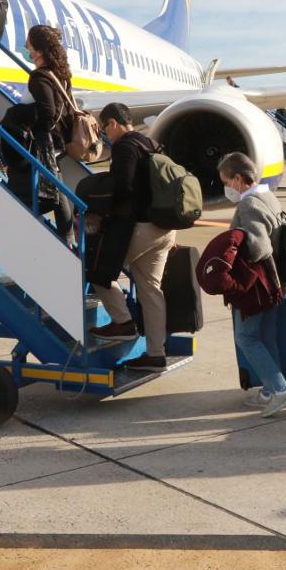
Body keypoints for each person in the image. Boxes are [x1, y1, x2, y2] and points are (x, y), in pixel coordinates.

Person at [87, 103, 176, 372]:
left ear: (112, 123)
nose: (105, 135)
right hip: (165, 229)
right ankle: (155, 354)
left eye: (104, 129)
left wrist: (102, 207)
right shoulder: (152, 143)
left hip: (141, 227)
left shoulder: (125, 146)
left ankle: (123, 322)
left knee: (98, 270)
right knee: (151, 291)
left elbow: (123, 186)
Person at [219, 151, 286, 417]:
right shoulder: (268, 195)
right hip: (277, 282)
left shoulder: (248, 204)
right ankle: (268, 389)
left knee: (246, 337)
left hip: (260, 285)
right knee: (265, 335)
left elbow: (258, 247)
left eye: (228, 181)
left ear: (240, 178)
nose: (228, 187)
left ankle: (280, 388)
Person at [1, 25, 75, 244]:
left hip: (45, 141)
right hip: (58, 140)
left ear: (39, 49)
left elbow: (48, 113)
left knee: (49, 188)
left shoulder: (39, 77)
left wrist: (19, 114)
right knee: (57, 186)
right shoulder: (59, 74)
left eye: (30, 43)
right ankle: (67, 236)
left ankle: (64, 237)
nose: (26, 47)